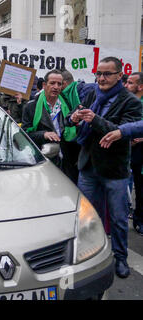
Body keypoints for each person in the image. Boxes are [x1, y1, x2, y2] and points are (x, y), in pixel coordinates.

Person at [68, 57, 142, 279]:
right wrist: (74, 118)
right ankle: (92, 255)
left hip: (113, 170)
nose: (101, 78)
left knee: (119, 218)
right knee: (88, 217)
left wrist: (95, 119)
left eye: (107, 74)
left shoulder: (129, 101)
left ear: (120, 76)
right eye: (98, 73)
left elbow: (125, 130)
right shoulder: (91, 94)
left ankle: (120, 257)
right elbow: (73, 117)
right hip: (88, 166)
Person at [99, 72, 143, 236]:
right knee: (122, 189)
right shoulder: (121, 101)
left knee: (137, 187)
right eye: (126, 82)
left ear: (140, 87)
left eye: (130, 83)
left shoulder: (135, 104)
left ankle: (136, 220)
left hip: (137, 153)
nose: (126, 85)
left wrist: (127, 133)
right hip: (120, 154)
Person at [22, 70, 77, 167]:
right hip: (42, 159)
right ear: (44, 85)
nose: (56, 87)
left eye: (59, 84)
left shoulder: (68, 104)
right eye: (52, 83)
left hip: (66, 159)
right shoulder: (31, 107)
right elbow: (25, 134)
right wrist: (44, 134)